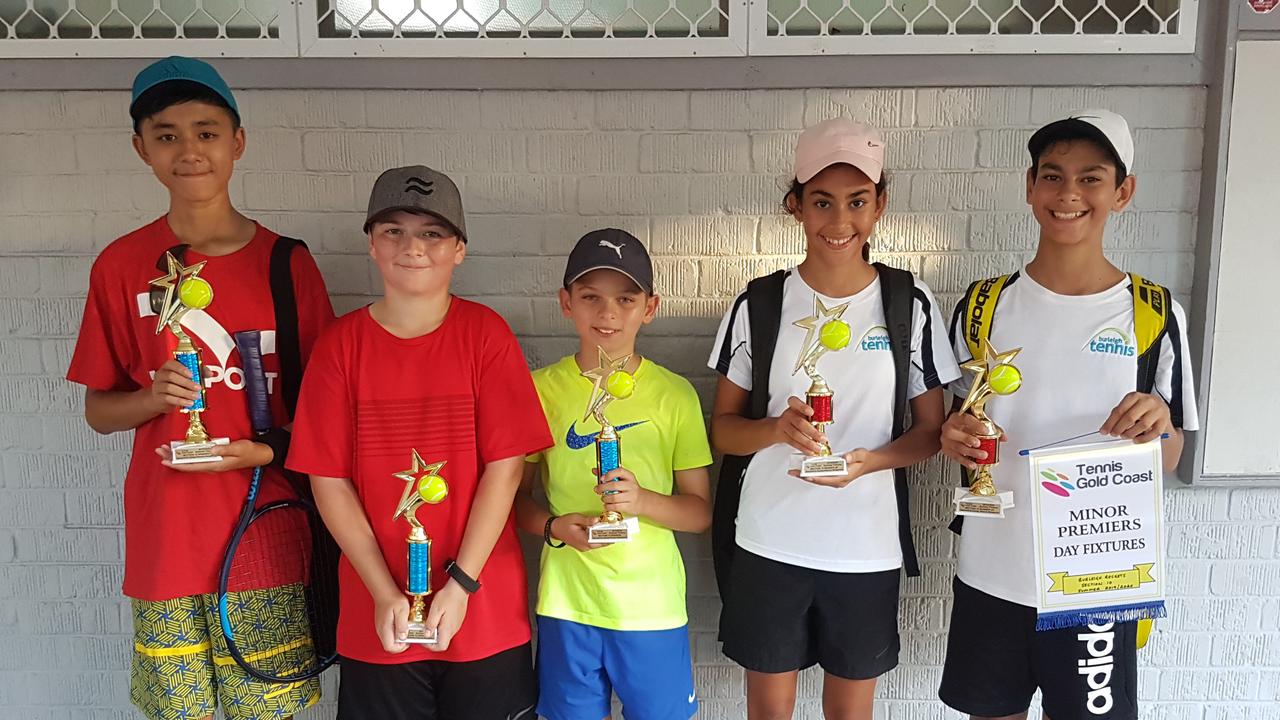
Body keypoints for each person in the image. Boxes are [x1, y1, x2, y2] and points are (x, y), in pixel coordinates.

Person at [66, 56, 335, 720]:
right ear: (142, 149)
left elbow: (329, 414)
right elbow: (99, 410)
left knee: (265, 711)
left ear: (237, 142)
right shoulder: (122, 265)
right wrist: (152, 399)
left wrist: (264, 453)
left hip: (264, 532)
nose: (189, 150)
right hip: (166, 541)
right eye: (166, 134)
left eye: (207, 131)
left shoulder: (286, 264)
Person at [937, 109, 1200, 720]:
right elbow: (958, 425)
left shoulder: (1155, 313)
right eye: (1052, 177)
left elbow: (1169, 456)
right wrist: (954, 437)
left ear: (1122, 192)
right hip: (991, 572)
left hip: (1096, 584)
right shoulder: (982, 305)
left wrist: (1156, 426)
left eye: (1091, 178)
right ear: (1030, 187)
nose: (1069, 195)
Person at [707, 118, 959, 720]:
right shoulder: (761, 302)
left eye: (856, 201)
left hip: (865, 548)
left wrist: (872, 461)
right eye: (821, 201)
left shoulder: (908, 302)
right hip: (769, 542)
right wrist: (774, 429)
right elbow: (722, 430)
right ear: (795, 206)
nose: (838, 220)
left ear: (879, 207)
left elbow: (933, 432)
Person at [286, 165, 552, 720]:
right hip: (376, 613)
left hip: (483, 609)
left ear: (459, 249)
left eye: (432, 233)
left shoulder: (486, 335)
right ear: (371, 244)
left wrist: (461, 584)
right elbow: (327, 478)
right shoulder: (339, 347)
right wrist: (384, 592)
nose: (413, 247)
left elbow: (506, 469)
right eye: (393, 231)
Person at [516, 229, 713, 720]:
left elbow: (699, 513)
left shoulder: (675, 395)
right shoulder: (538, 391)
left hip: (652, 608)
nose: (607, 313)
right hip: (567, 605)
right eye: (590, 298)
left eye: (625, 299)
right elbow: (514, 500)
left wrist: (642, 501)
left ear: (650, 307)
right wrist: (553, 527)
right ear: (566, 303)